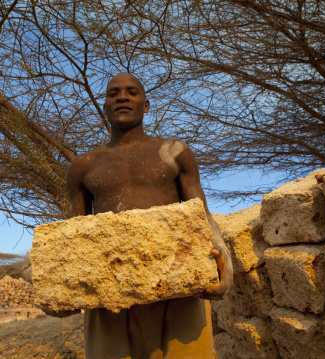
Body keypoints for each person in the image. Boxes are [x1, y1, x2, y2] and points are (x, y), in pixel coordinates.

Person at [66, 73, 234, 359]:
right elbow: (75, 233)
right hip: (111, 296)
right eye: (113, 93)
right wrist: (63, 288)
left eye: (132, 92)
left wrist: (223, 265)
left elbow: (201, 214)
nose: (122, 97)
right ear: (104, 106)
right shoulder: (84, 164)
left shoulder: (174, 151)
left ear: (145, 105)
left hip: (178, 287)